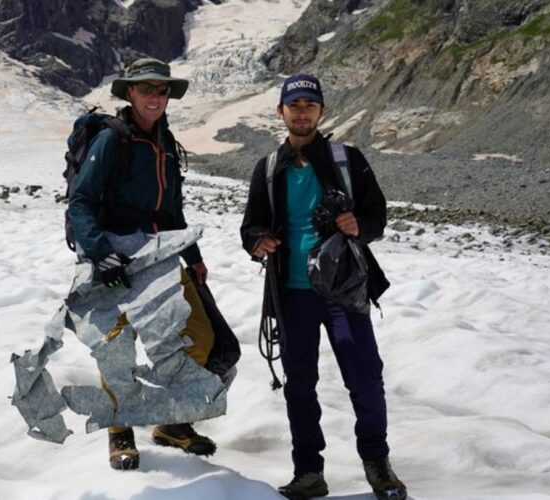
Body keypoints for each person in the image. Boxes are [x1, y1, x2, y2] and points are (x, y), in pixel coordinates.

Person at [240, 74, 407, 500]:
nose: (301, 112)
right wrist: (259, 241)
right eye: (293, 105)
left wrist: (359, 226)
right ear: (281, 112)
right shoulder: (269, 168)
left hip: (343, 291)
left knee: (366, 378)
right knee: (300, 386)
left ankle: (377, 465)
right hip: (292, 293)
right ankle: (309, 472)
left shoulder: (346, 158)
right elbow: (250, 226)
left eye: (309, 105)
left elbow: (376, 215)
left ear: (321, 112)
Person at [68, 58, 217, 471]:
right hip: (112, 255)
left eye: (162, 90)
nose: (155, 96)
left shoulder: (165, 143)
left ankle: (171, 423)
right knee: (118, 346)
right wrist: (100, 253)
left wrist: (194, 257)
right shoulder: (112, 139)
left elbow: (170, 210)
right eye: (146, 88)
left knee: (197, 335)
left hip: (158, 253)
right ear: (129, 93)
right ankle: (120, 431)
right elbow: (80, 201)